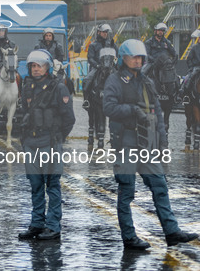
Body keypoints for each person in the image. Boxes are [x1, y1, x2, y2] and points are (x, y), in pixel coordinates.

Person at [103, 39, 198, 250]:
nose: (138, 61)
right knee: (126, 191)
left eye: (140, 58)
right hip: (126, 142)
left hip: (147, 144)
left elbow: (158, 115)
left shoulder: (147, 82)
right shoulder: (114, 80)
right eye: (134, 57)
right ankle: (129, 238)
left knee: (160, 186)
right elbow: (108, 107)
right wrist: (131, 110)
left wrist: (163, 144)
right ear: (123, 59)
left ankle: (172, 232)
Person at [17, 49, 75, 241]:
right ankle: (36, 224)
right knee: (35, 185)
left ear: (47, 67)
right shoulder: (27, 87)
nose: (35, 69)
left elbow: (69, 119)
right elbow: (23, 114)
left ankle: (52, 226)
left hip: (50, 142)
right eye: (33, 66)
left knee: (52, 184)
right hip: (31, 142)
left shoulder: (58, 88)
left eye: (39, 65)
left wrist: (57, 137)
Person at [82, 24, 118, 109]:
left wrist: (115, 63)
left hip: (110, 67)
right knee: (87, 80)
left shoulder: (113, 45)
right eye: (104, 32)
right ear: (99, 32)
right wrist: (97, 65)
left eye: (107, 32)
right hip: (97, 67)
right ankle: (86, 100)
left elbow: (118, 55)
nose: (106, 34)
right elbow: (90, 58)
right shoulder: (93, 45)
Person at [178, 29, 200, 104]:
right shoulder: (194, 47)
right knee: (190, 77)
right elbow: (189, 59)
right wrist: (191, 67)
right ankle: (184, 94)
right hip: (196, 67)